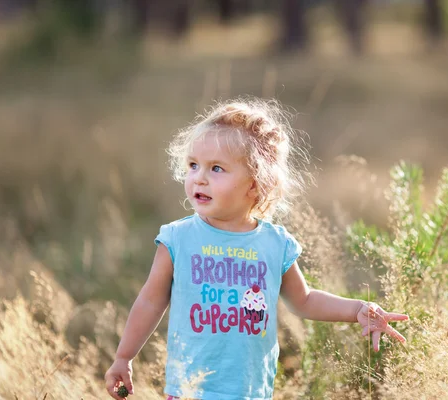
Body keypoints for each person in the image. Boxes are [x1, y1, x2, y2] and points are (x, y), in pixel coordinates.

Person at [104, 97, 409, 400]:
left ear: (255, 184)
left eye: (216, 169)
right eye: (194, 165)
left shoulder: (274, 243)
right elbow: (150, 301)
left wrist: (356, 309)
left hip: (249, 391)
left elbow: (304, 300)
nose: (199, 177)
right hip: (189, 391)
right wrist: (123, 357)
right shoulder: (178, 238)